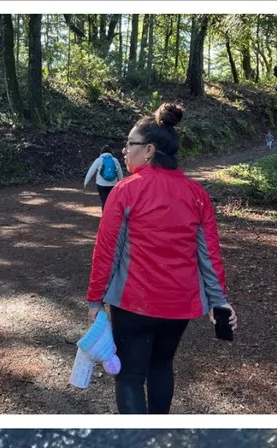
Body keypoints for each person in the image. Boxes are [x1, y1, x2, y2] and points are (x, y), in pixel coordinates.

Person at [86, 103, 236, 413]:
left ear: (150, 150)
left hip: (132, 303)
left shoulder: (126, 191)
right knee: (162, 366)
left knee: (129, 376)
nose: (124, 151)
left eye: (130, 144)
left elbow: (107, 251)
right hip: (178, 307)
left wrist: (94, 301)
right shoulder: (197, 194)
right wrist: (219, 300)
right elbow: (209, 254)